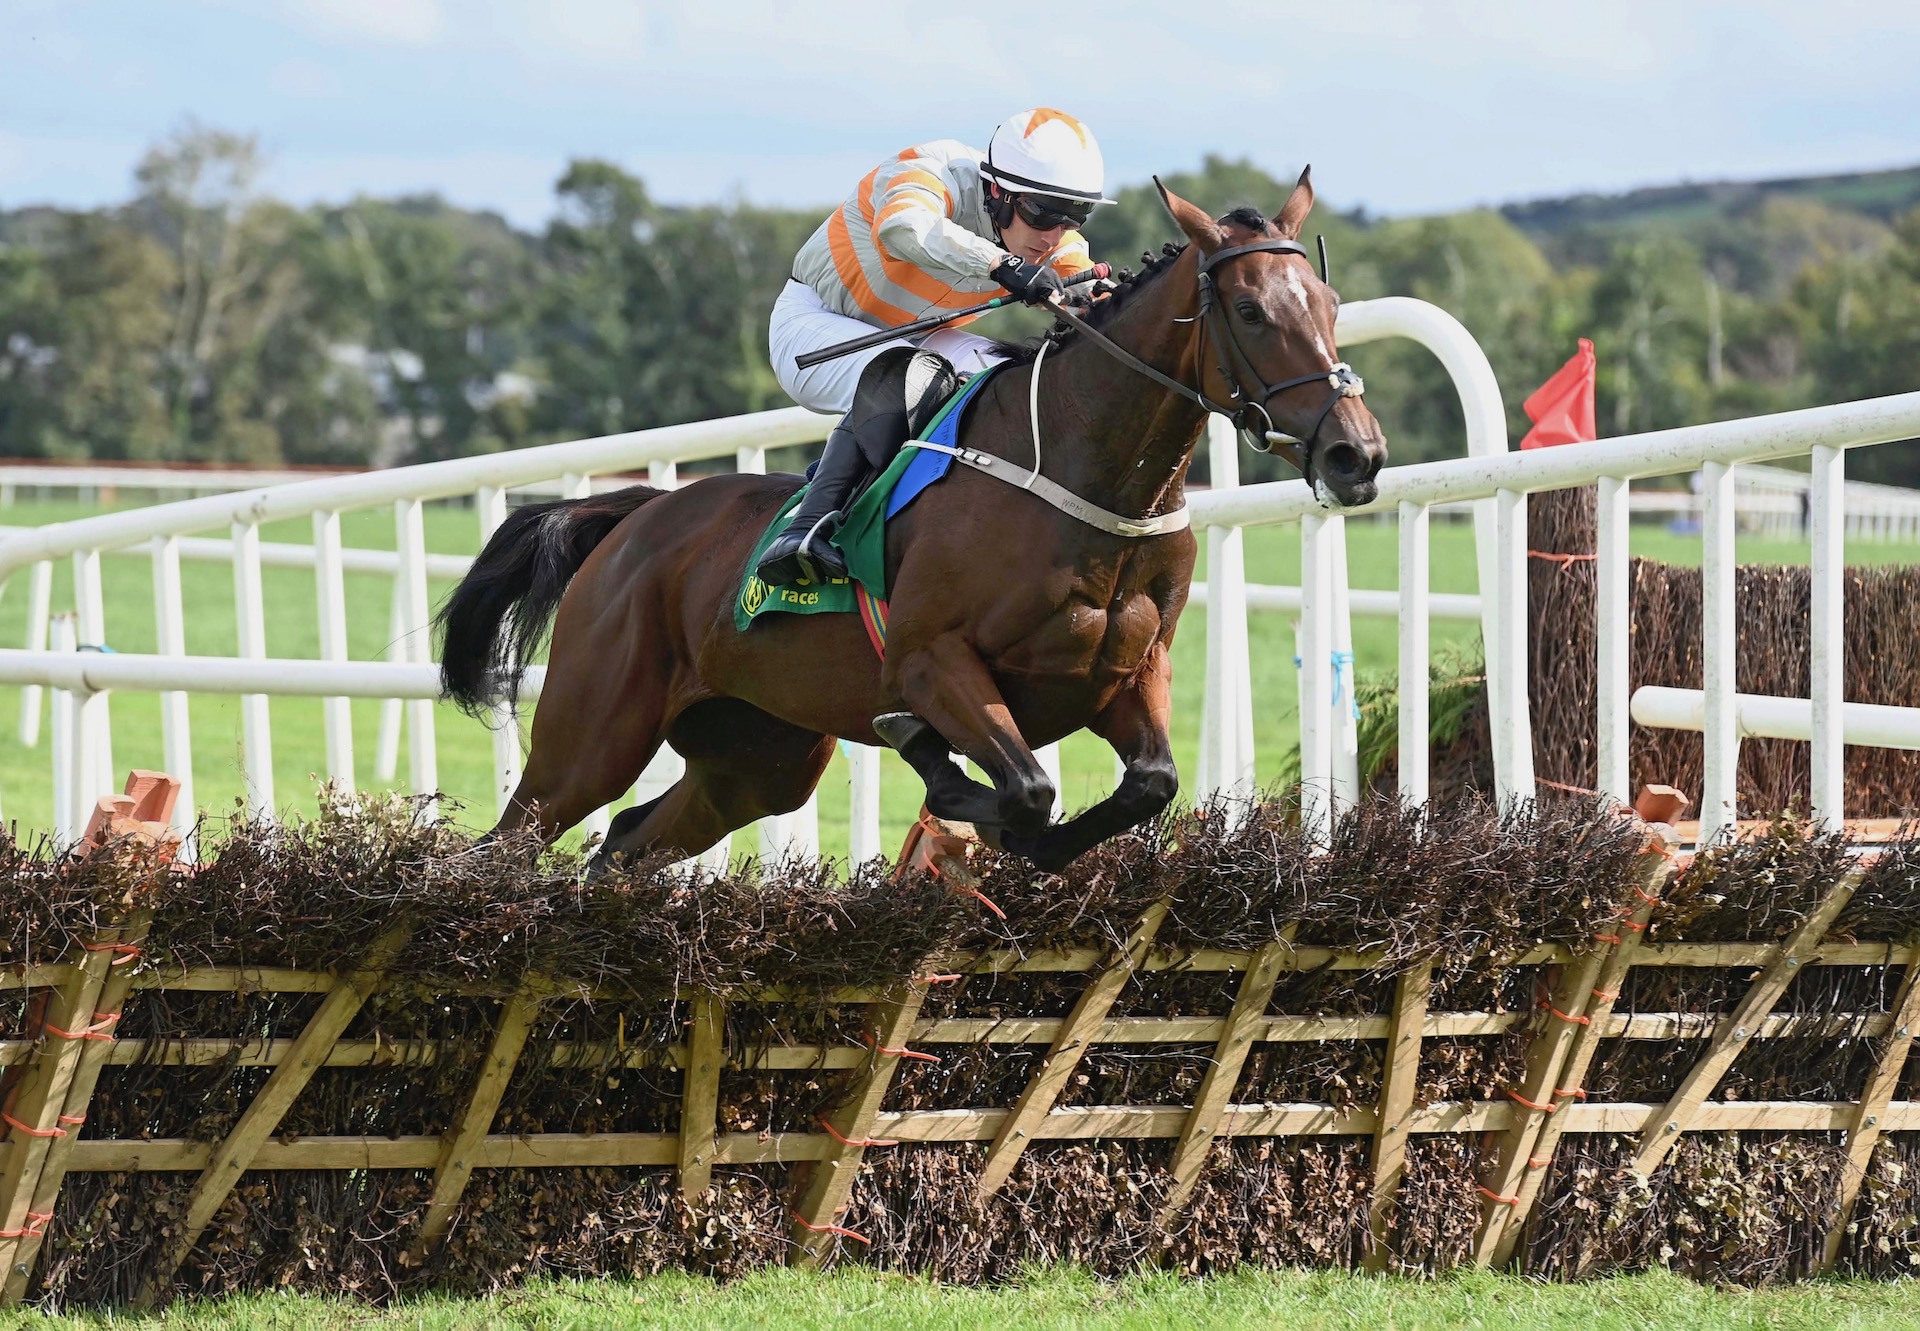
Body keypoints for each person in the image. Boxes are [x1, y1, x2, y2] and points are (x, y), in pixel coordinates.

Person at [757, 108, 1113, 587]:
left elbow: (1080, 285)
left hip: (921, 342)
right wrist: (1001, 264)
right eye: (1042, 214)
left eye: (1073, 217)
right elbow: (904, 227)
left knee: (1014, 384)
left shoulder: (1054, 240)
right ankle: (803, 531)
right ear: (997, 192)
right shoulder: (930, 167)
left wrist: (1103, 302)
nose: (1053, 235)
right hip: (816, 322)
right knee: (911, 373)